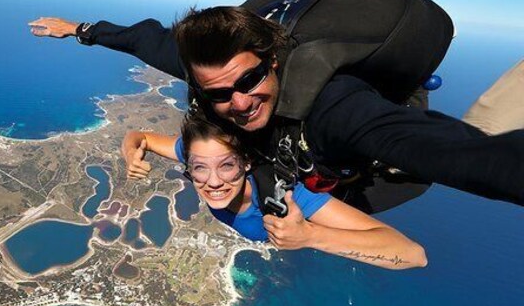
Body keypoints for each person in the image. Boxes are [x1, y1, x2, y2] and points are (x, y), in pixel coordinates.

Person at [30, 0, 524, 215]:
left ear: (272, 61)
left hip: (367, 147)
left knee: (417, 164)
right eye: (221, 94)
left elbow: (445, 152)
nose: (239, 102)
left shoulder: (333, 105)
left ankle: (414, 86)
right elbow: (143, 39)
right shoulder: (208, 73)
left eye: (249, 81)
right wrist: (78, 29)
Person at [121, 110, 426, 270]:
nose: (213, 181)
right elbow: (139, 137)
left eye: (227, 166)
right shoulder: (198, 151)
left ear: (248, 163)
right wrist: (130, 154)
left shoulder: (288, 197)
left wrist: (310, 235)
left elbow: (412, 255)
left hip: (359, 187)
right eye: (199, 168)